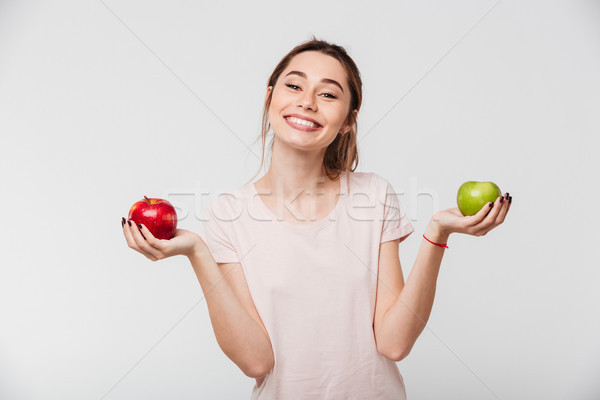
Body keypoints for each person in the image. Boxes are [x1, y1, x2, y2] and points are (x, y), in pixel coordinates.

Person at [121, 36, 512, 399]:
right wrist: (197, 252)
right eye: (294, 86)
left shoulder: (373, 195)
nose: (307, 101)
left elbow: (394, 343)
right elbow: (256, 361)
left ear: (348, 121)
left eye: (328, 93)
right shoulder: (228, 213)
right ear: (269, 98)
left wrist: (437, 233)